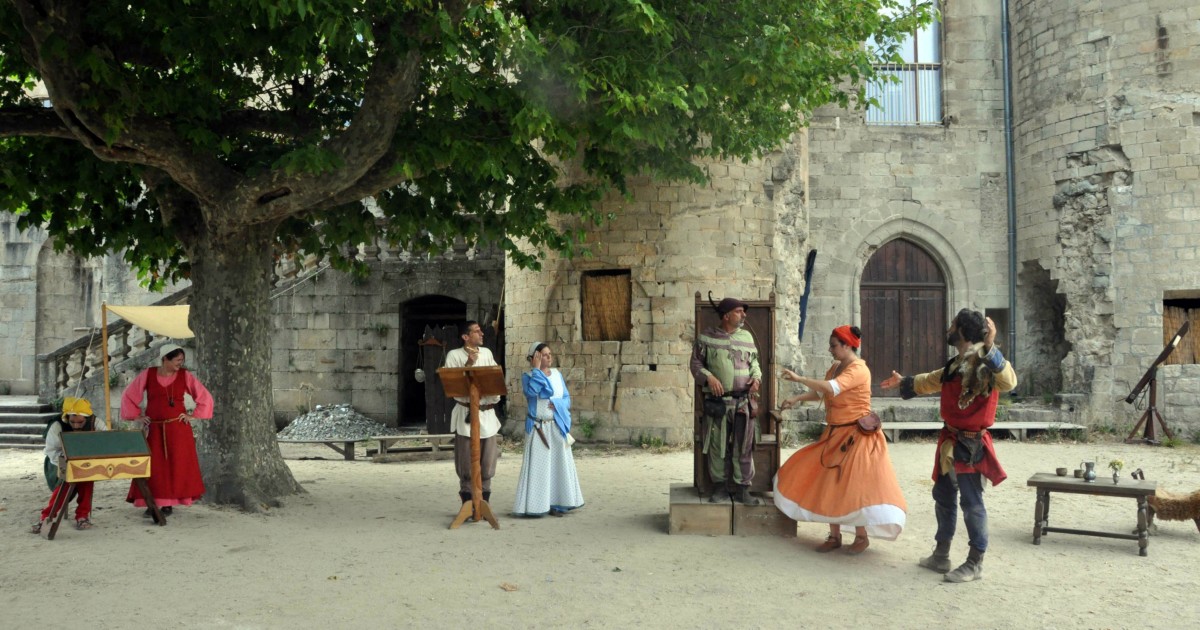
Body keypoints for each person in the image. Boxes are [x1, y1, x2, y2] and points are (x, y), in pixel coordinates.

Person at [881, 308, 1017, 583]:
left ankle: (975, 563)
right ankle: (941, 554)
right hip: (950, 442)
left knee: (972, 503)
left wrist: (990, 345)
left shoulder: (985, 364)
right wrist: (905, 382)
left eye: (953, 325)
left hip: (970, 445)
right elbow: (935, 378)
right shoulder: (957, 363)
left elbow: (1009, 381)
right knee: (943, 497)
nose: (949, 329)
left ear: (963, 331)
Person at [773, 326, 907, 554]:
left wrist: (800, 378)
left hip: (857, 437)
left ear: (847, 345)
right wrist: (796, 398)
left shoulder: (859, 370)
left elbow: (831, 389)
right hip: (835, 434)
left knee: (854, 487)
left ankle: (861, 537)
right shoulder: (836, 367)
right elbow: (821, 393)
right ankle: (834, 536)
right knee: (829, 483)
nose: (830, 349)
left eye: (834, 345)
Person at [122, 343, 214, 516]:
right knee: (153, 466)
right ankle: (151, 501)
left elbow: (204, 397)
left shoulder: (185, 376)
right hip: (155, 430)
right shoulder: (148, 374)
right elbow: (129, 395)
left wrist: (193, 415)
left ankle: (168, 504)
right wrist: (137, 416)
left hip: (178, 430)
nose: (180, 363)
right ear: (165, 359)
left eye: (182, 360)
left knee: (175, 465)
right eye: (177, 360)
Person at [690, 297, 763, 505]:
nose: (744, 315)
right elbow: (695, 364)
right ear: (726, 315)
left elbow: (755, 363)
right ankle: (719, 487)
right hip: (718, 404)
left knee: (743, 446)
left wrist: (757, 378)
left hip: (743, 403)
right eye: (739, 311)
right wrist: (709, 377)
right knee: (717, 446)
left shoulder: (747, 337)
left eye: (743, 311)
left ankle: (742, 489)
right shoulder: (706, 338)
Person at [513, 342, 585, 517]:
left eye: (549, 354)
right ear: (536, 357)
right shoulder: (527, 376)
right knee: (540, 467)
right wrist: (537, 370)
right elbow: (531, 393)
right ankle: (537, 506)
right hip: (538, 427)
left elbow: (566, 399)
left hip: (556, 425)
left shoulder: (557, 375)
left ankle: (559, 503)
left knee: (558, 465)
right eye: (544, 355)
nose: (549, 357)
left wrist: (558, 403)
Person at [443, 321, 503, 506]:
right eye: (477, 332)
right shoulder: (454, 355)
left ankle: (484, 503)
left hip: (486, 413)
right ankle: (468, 503)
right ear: (465, 337)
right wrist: (468, 364)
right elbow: (452, 385)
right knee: (466, 464)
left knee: (487, 463)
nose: (482, 334)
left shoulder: (487, 353)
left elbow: (494, 379)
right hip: (466, 415)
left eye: (481, 331)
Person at [31, 397, 102, 533]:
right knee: (67, 480)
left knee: (88, 476)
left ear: (86, 418)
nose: (76, 425)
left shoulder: (96, 422)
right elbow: (51, 451)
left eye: (80, 422)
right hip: (56, 462)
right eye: (72, 422)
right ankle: (46, 517)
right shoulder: (57, 425)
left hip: (85, 461)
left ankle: (82, 516)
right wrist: (67, 461)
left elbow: (105, 441)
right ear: (67, 417)